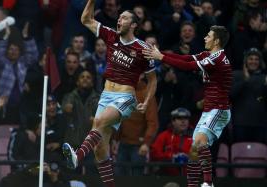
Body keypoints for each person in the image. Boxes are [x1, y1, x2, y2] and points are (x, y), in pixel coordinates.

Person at [62, 1, 157, 187]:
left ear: (134, 25)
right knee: (99, 149)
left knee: (98, 123)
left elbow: (153, 80)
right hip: (106, 95)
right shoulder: (110, 36)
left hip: (125, 98)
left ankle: (77, 156)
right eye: (119, 17)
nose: (119, 20)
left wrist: (146, 101)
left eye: (124, 18)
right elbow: (86, 19)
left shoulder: (143, 49)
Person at [143, 25, 231, 187]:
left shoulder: (217, 59)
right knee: (194, 149)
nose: (205, 38)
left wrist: (161, 57)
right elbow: (187, 59)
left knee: (199, 143)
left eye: (208, 36)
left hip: (218, 109)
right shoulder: (209, 54)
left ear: (216, 41)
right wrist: (161, 54)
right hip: (209, 110)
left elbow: (188, 67)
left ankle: (207, 183)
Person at [150, 107, 192, 176]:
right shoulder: (164, 136)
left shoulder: (195, 137)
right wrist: (171, 157)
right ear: (173, 121)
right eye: (179, 118)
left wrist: (189, 157)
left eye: (186, 118)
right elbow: (154, 154)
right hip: (167, 176)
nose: (183, 121)